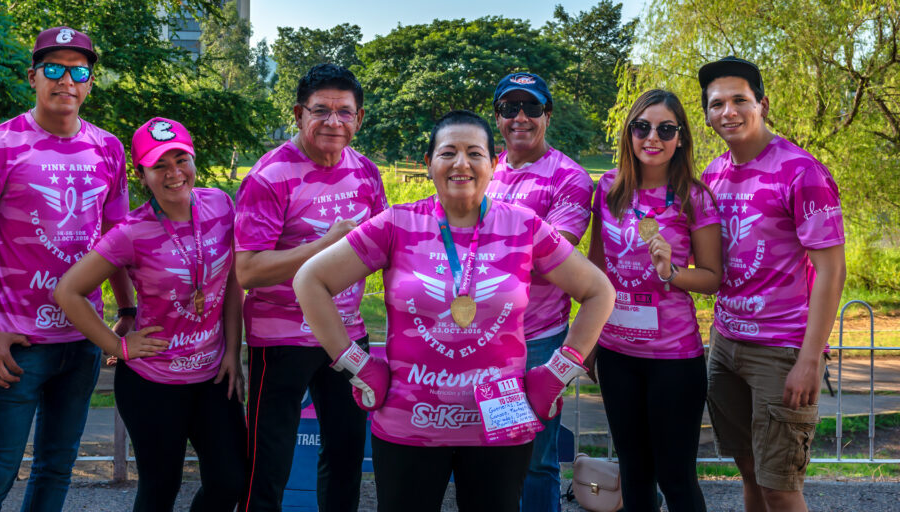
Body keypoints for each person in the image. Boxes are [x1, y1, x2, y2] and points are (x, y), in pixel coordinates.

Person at [294, 110, 615, 511]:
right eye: (448, 153)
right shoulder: (396, 224)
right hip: (410, 422)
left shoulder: (525, 227)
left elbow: (599, 292)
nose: (461, 163)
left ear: (493, 164)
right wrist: (356, 364)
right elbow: (310, 280)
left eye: (474, 153)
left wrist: (559, 372)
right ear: (428, 163)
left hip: (500, 427)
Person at [0, 26, 135, 511]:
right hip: (15, 344)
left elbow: (117, 239)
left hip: (81, 340)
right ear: (33, 77)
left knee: (56, 470)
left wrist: (127, 309)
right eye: (54, 69)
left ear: (90, 82)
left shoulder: (108, 149)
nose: (66, 80)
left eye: (79, 71)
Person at [54, 118, 246, 511]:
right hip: (152, 383)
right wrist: (118, 347)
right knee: (160, 490)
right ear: (141, 175)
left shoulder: (221, 205)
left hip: (213, 375)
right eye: (160, 165)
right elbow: (68, 292)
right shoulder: (131, 231)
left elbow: (232, 282)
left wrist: (232, 351)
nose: (174, 173)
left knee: (232, 480)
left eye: (181, 159)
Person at [234, 63, 388, 512]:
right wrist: (324, 246)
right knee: (268, 462)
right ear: (299, 114)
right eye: (321, 110)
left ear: (359, 118)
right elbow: (248, 271)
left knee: (345, 456)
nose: (333, 122)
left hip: (347, 334)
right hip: (281, 337)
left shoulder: (366, 172)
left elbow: (384, 248)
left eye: (345, 112)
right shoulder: (269, 176)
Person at [699, 56, 846, 512]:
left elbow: (832, 271)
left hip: (782, 351)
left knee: (780, 487)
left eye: (739, 100)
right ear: (707, 114)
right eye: (717, 103)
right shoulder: (712, 174)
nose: (728, 111)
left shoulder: (802, 172)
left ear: (762, 104)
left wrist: (810, 359)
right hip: (726, 345)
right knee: (748, 471)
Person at [586, 89, 721, 511]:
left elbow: (713, 278)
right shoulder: (608, 188)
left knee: (676, 479)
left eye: (665, 129)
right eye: (642, 127)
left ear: (680, 138)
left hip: (673, 361)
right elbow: (595, 273)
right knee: (634, 474)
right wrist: (588, 342)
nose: (652, 138)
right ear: (628, 133)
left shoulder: (694, 196)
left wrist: (671, 272)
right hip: (616, 356)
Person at [485, 72, 594, 510]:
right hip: (479, 335)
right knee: (486, 453)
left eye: (531, 107)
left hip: (536, 339)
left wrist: (480, 250)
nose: (520, 117)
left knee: (535, 457)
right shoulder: (482, 166)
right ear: (497, 117)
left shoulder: (569, 177)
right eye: (509, 108)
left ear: (548, 115)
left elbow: (554, 256)